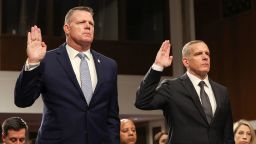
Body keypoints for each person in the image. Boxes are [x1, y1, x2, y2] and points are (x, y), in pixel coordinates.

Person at [14, 6, 119, 144]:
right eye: (81, 22)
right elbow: (22, 100)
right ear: (67, 28)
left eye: (91, 23)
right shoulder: (47, 61)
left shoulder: (109, 65)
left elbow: (111, 117)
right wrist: (33, 61)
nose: (88, 26)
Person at [135, 40, 234, 143]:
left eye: (207, 53)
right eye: (198, 54)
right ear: (186, 62)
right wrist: (158, 66)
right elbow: (142, 101)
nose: (205, 57)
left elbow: (228, 134)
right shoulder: (171, 87)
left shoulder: (222, 91)